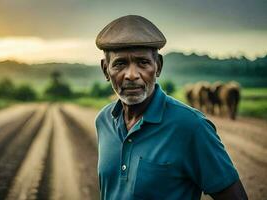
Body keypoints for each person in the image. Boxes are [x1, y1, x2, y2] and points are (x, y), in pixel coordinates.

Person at [95, 15, 248, 200]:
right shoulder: (103, 120)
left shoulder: (192, 126)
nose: (132, 75)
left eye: (143, 62)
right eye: (120, 64)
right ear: (105, 69)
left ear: (158, 66)